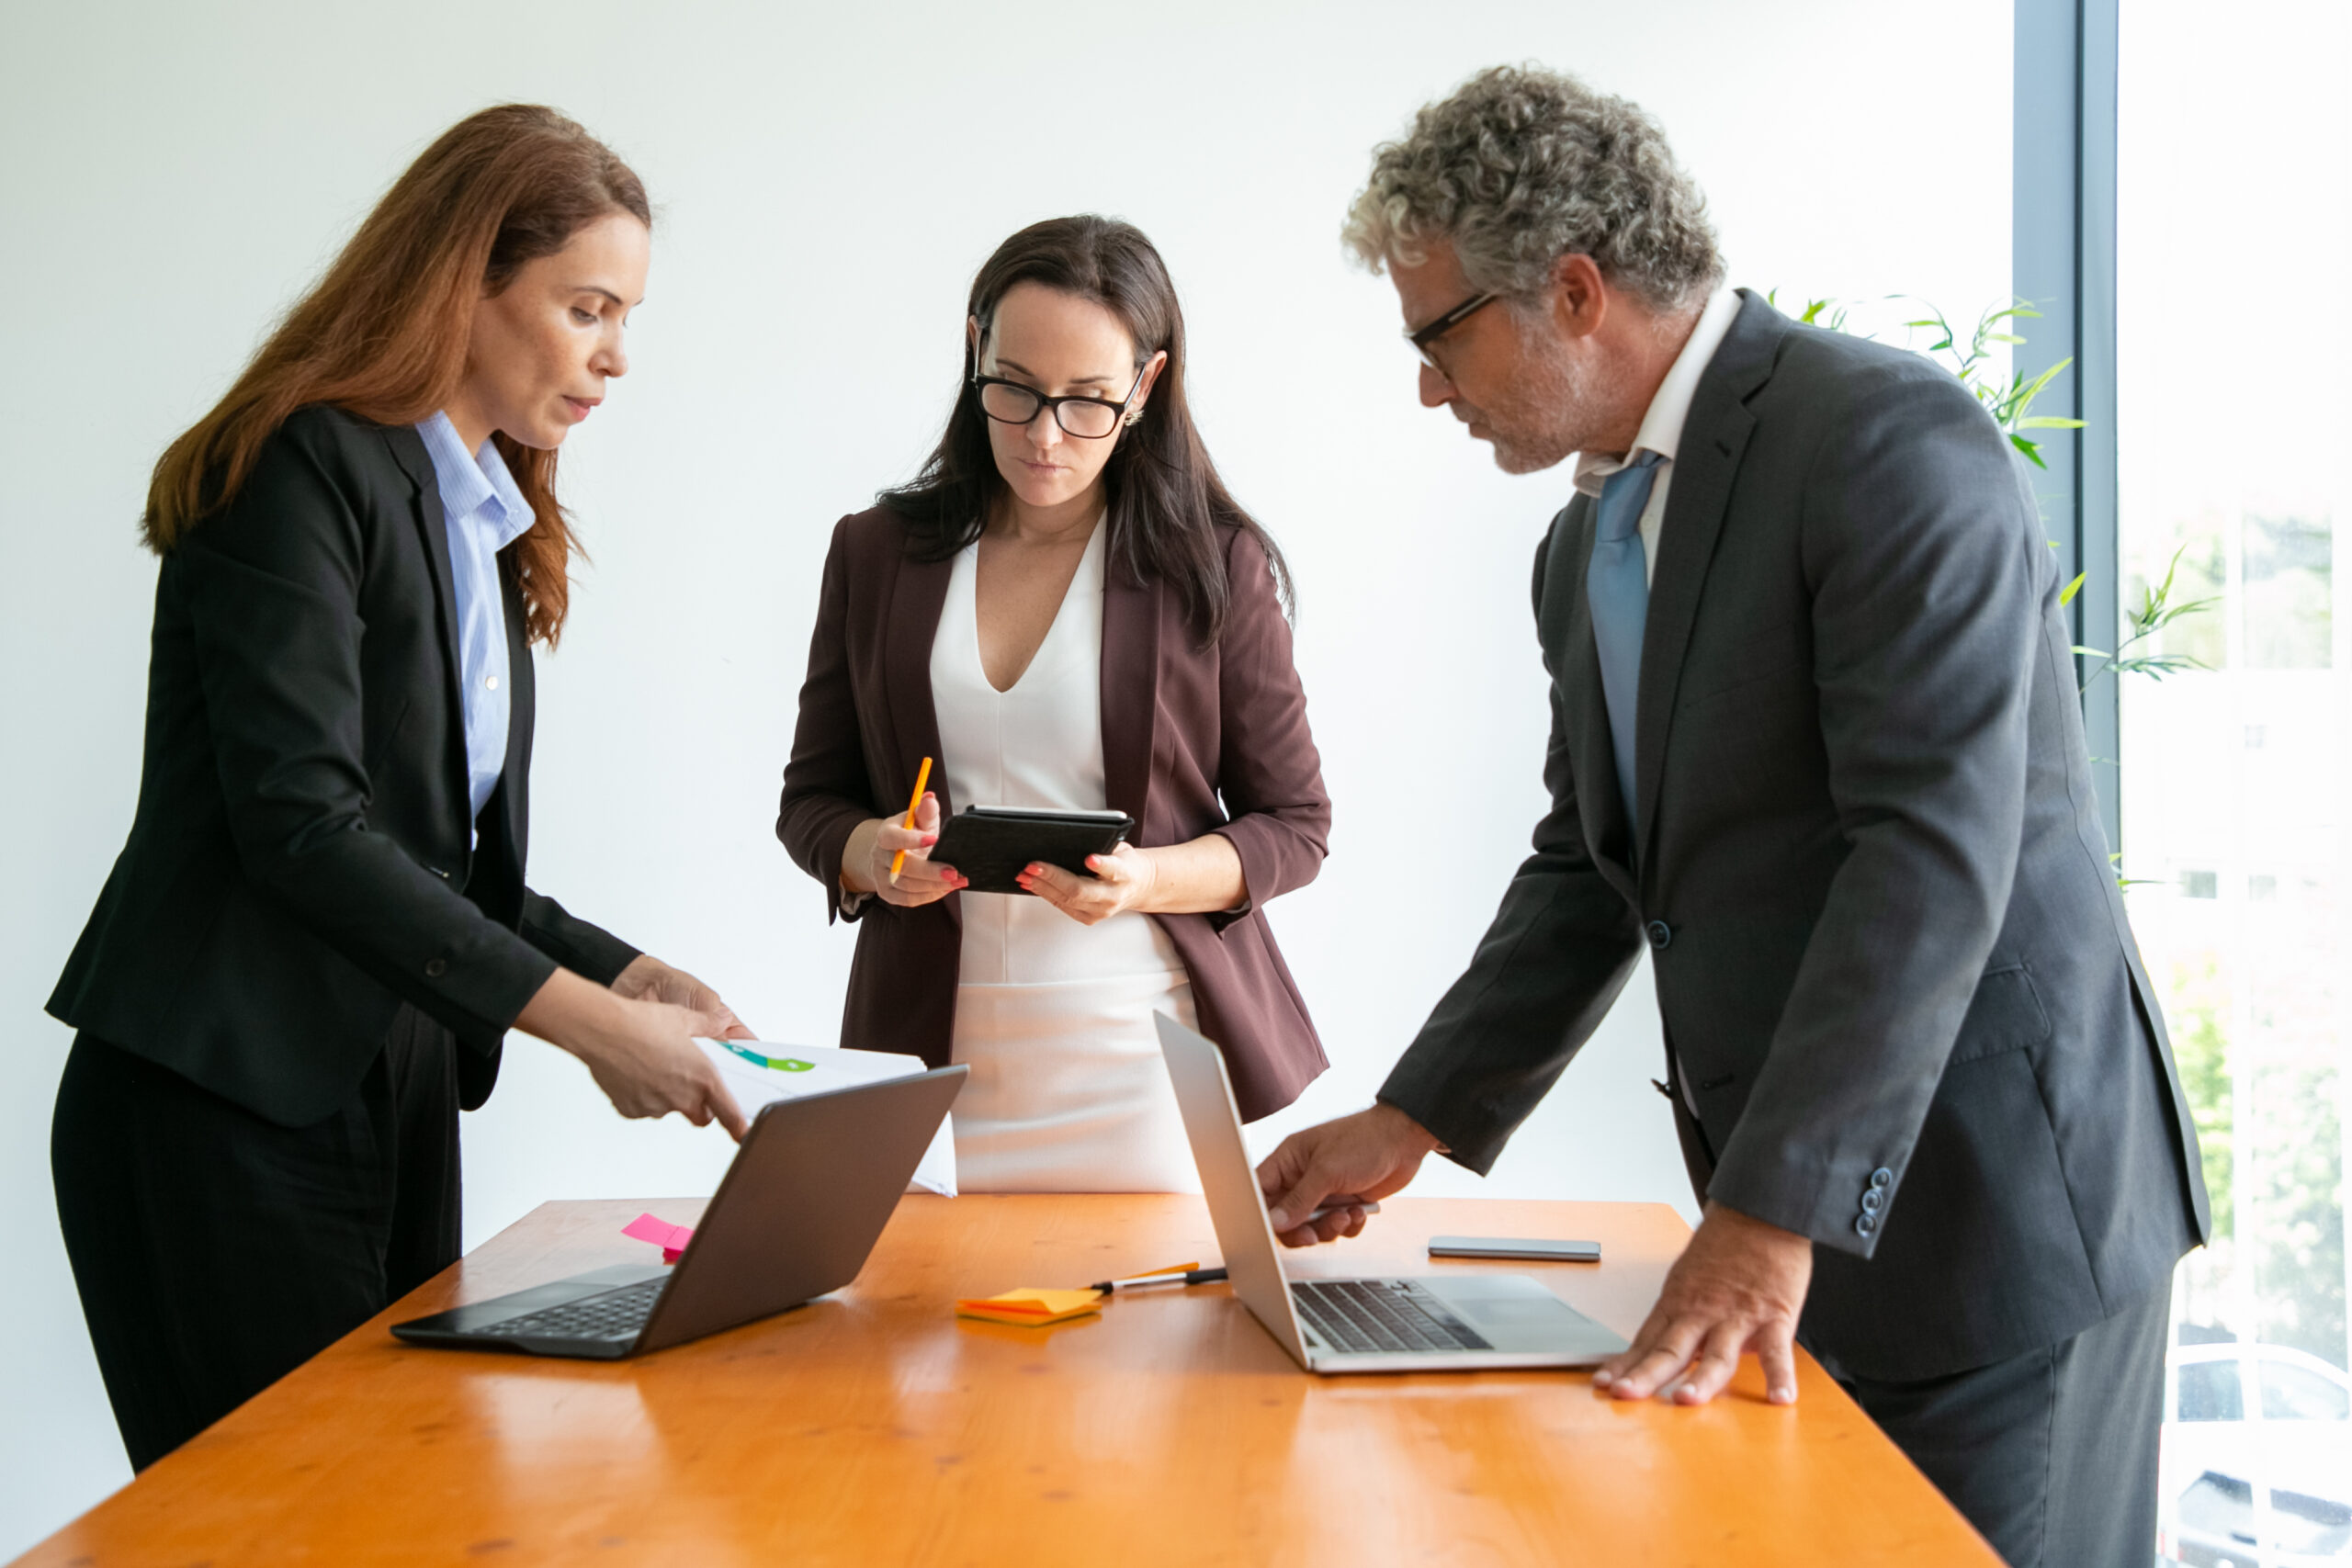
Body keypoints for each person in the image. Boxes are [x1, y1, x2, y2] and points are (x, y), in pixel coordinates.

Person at [1253, 67, 2208, 1568]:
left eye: (1438, 336)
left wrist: (1771, 1215)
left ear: (1572, 290)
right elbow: (1594, 862)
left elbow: (1928, 855)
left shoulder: (1884, 442)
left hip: (1993, 1218)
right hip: (1803, 1224)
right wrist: (1415, 1115)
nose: (1428, 386)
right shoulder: (1584, 551)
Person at [47, 105, 756, 1472]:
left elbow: (446, 866)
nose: (617, 355)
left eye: (629, 315)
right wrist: (592, 1032)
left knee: (397, 1506)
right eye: (587, 306)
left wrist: (635, 978)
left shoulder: (482, 511)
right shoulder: (301, 461)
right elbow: (306, 829)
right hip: (219, 1102)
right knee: (278, 1529)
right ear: (466, 278)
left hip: (390, 1089)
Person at [777, 216, 1329, 1191]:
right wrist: (869, 854)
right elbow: (812, 799)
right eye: (1016, 390)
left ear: (1146, 388)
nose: (1042, 437)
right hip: (921, 1056)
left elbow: (1295, 826)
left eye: (1087, 403)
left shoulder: (1214, 567)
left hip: (1136, 1062)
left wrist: (1144, 881)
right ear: (972, 350)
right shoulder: (874, 553)